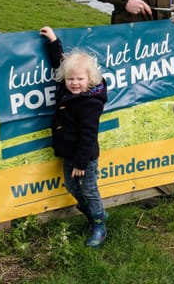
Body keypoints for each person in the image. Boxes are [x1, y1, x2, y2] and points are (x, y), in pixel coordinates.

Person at [40, 26, 109, 246]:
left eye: (80, 79)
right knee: (71, 186)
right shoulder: (67, 88)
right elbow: (59, 63)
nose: (75, 83)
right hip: (68, 152)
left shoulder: (90, 103)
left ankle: (99, 225)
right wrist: (53, 41)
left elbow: (89, 136)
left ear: (90, 79)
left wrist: (81, 163)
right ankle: (94, 214)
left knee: (89, 189)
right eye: (70, 79)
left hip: (84, 157)